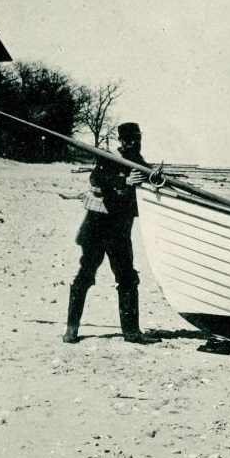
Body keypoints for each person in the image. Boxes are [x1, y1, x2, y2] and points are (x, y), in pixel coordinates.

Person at [64, 122, 160, 345]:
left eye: (136, 138)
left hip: (119, 231)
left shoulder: (137, 160)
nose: (133, 143)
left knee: (127, 278)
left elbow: (148, 178)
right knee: (85, 276)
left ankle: (132, 333)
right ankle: (71, 330)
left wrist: (154, 177)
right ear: (121, 140)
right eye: (129, 139)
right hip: (97, 228)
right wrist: (124, 181)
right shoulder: (109, 157)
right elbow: (96, 179)